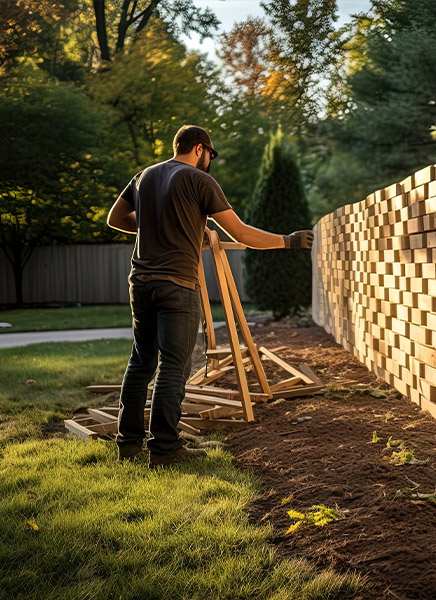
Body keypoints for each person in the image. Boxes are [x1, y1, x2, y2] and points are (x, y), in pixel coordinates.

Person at [107, 125, 313, 467]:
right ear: (200, 149)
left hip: (140, 282)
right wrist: (288, 241)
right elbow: (242, 233)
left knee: (141, 361)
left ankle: (128, 444)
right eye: (210, 155)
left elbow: (116, 219)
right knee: (174, 365)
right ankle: (165, 449)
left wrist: (167, 224)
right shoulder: (199, 181)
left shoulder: (144, 176)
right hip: (177, 284)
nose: (209, 162)